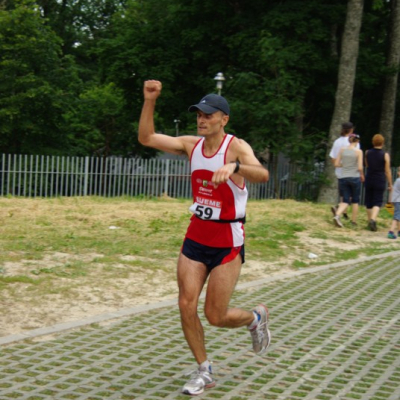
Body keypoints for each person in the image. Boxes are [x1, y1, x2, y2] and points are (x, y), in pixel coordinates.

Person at [138, 80, 271, 396]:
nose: (201, 119)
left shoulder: (236, 147)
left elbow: (263, 174)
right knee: (186, 304)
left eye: (208, 115)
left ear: (224, 119)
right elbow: (146, 138)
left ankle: (255, 318)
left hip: (227, 240)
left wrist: (235, 166)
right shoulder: (190, 145)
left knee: (216, 316)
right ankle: (204, 370)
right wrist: (150, 100)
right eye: (199, 114)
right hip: (197, 235)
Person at [332, 133, 364, 227]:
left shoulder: (342, 150)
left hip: (343, 177)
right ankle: (353, 221)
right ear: (357, 141)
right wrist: (362, 174)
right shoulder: (359, 151)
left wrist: (344, 165)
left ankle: (337, 215)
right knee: (355, 200)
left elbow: (336, 164)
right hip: (354, 177)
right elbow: (360, 167)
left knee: (345, 200)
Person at [329, 122, 359, 219]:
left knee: (344, 193)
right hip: (351, 171)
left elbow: (333, 158)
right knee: (351, 194)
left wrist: (340, 165)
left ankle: (343, 212)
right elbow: (357, 156)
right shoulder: (354, 142)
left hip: (340, 171)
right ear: (351, 130)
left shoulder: (337, 142)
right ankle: (340, 209)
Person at [364, 134, 393, 231]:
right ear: (382, 143)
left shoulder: (367, 152)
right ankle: (373, 219)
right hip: (379, 179)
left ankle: (369, 221)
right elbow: (387, 171)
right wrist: (390, 183)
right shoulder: (385, 155)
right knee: (377, 201)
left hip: (369, 178)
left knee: (369, 201)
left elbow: (367, 165)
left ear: (373, 142)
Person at [387, 166, 400, 239]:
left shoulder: (397, 180)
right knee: (396, 217)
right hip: (398, 201)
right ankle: (391, 232)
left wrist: (391, 200)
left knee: (398, 216)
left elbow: (393, 190)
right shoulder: (399, 180)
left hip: (396, 200)